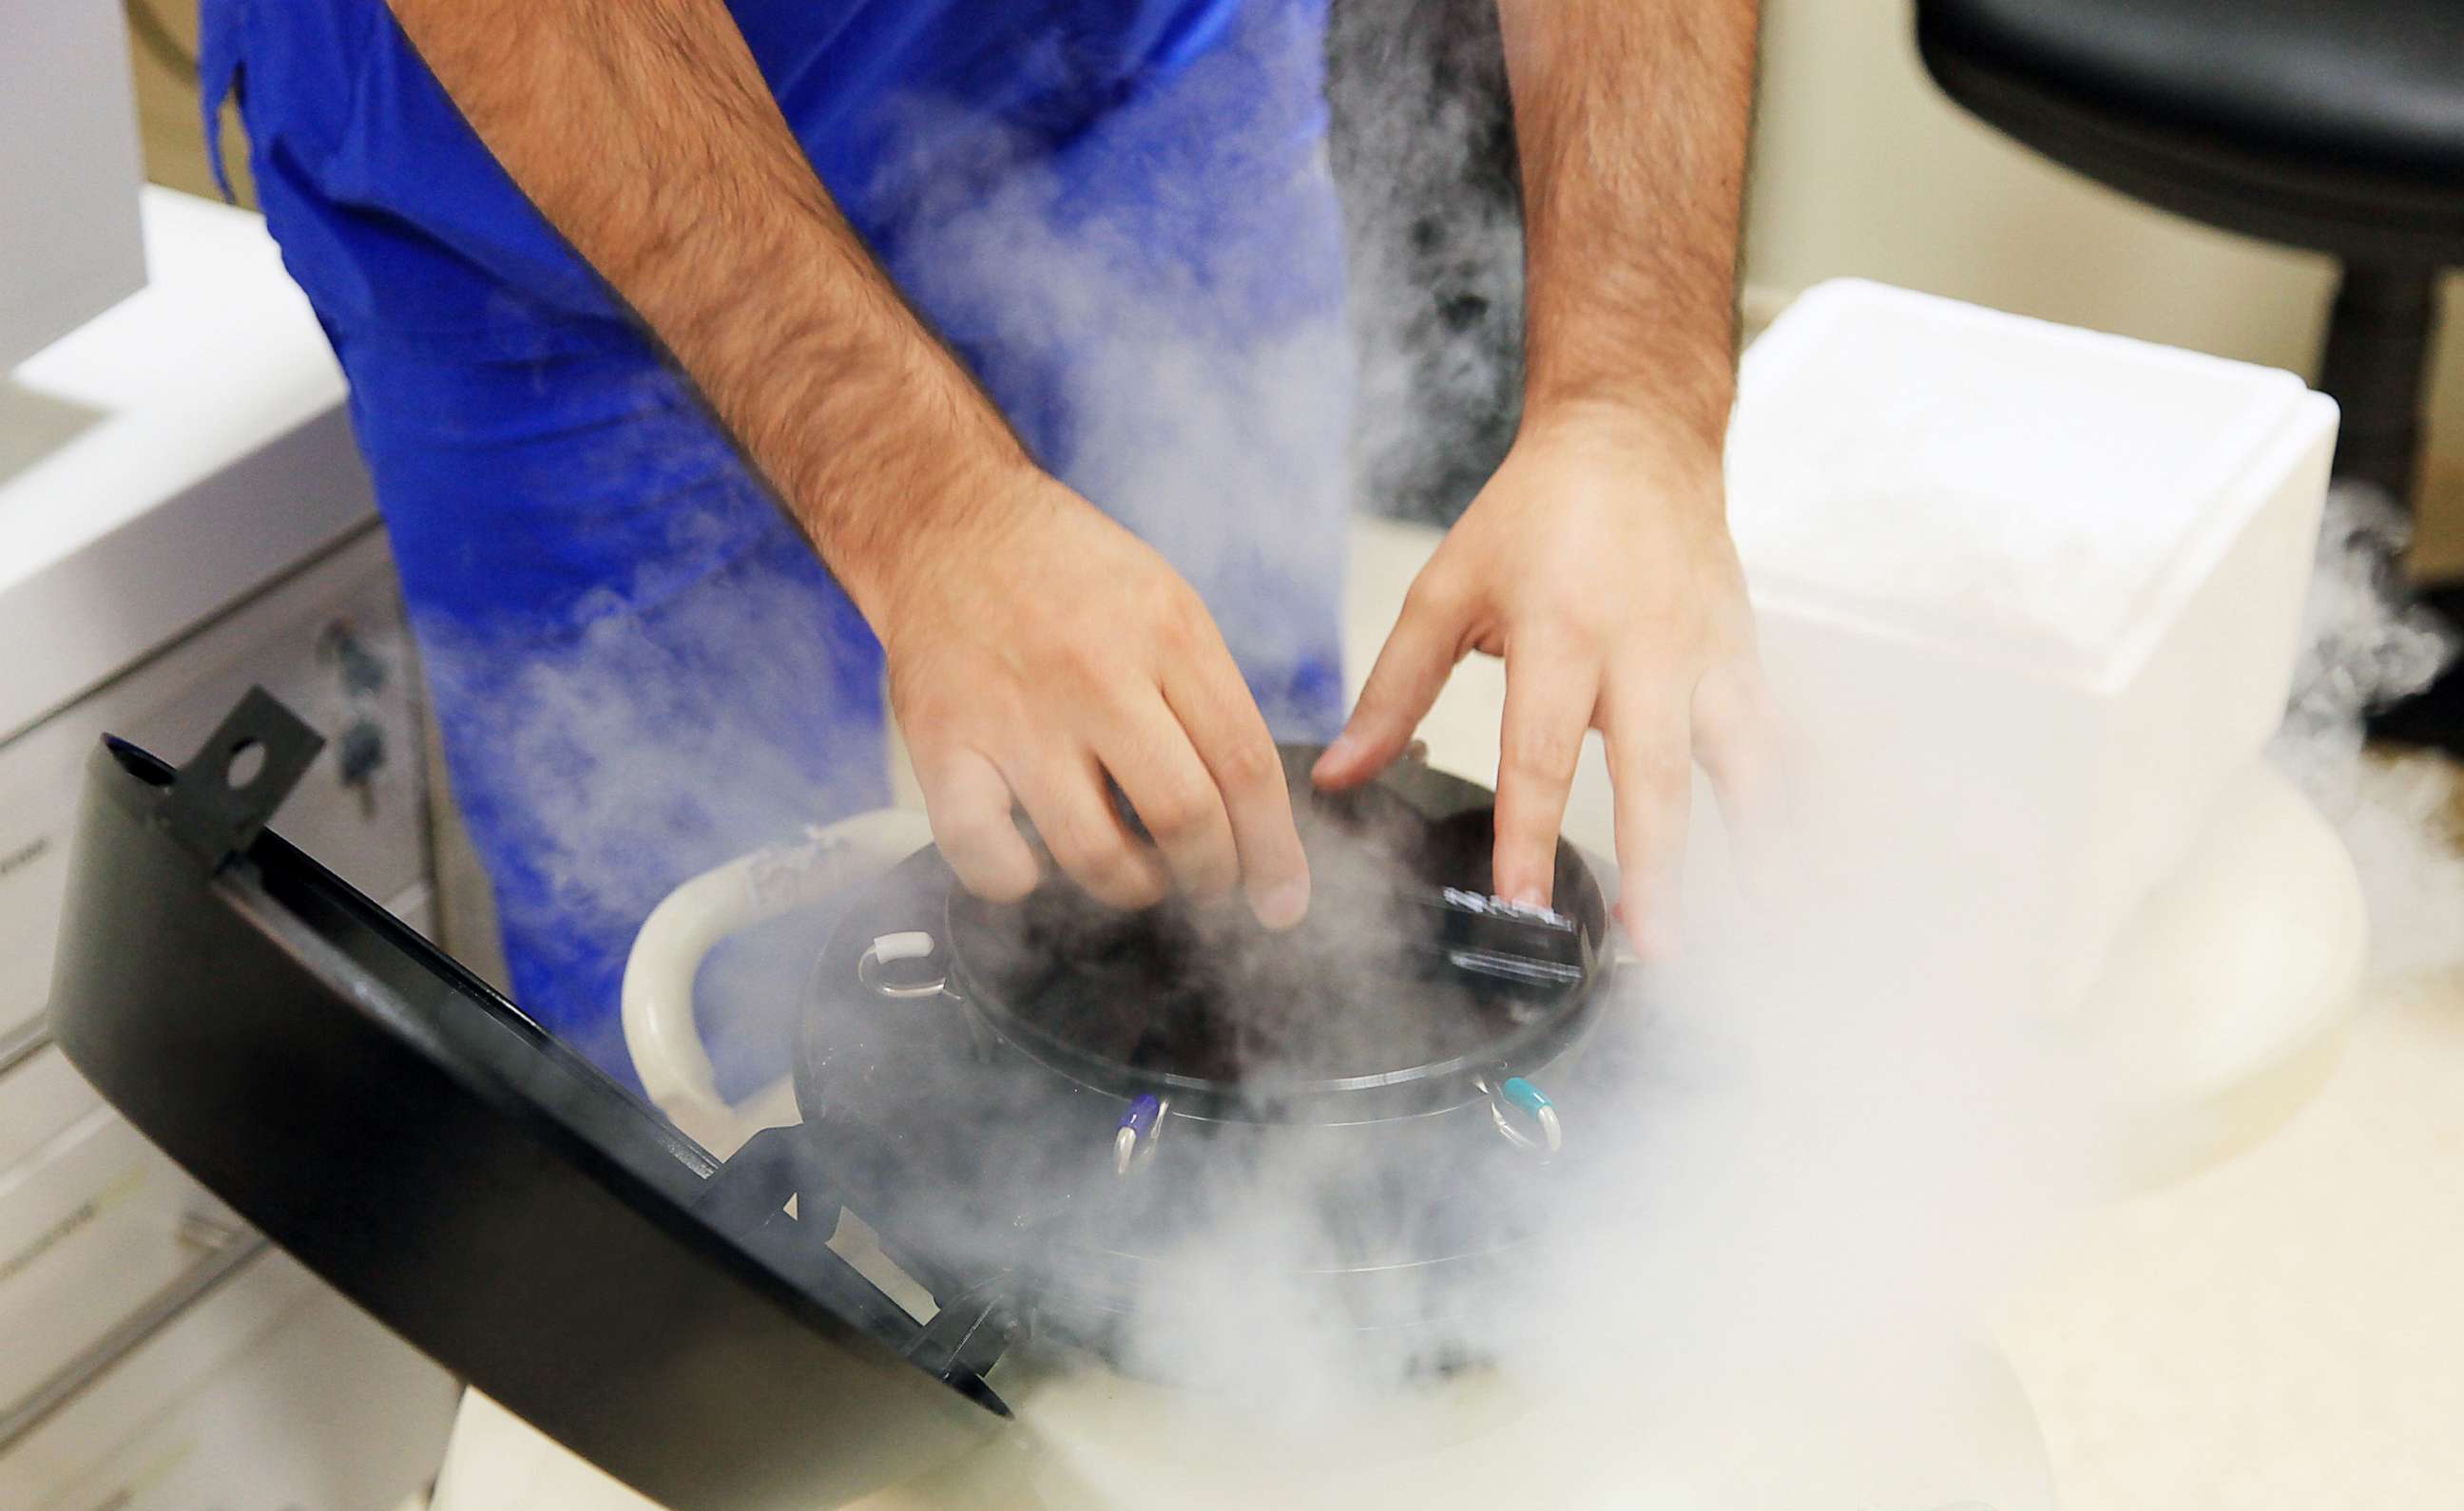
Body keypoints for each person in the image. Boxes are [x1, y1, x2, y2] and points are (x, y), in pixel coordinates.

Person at [200, 0, 1781, 1086]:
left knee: (1238, 875)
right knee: (723, 1043)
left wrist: (1632, 388)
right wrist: (926, 500)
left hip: (1111, 52)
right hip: (551, 153)